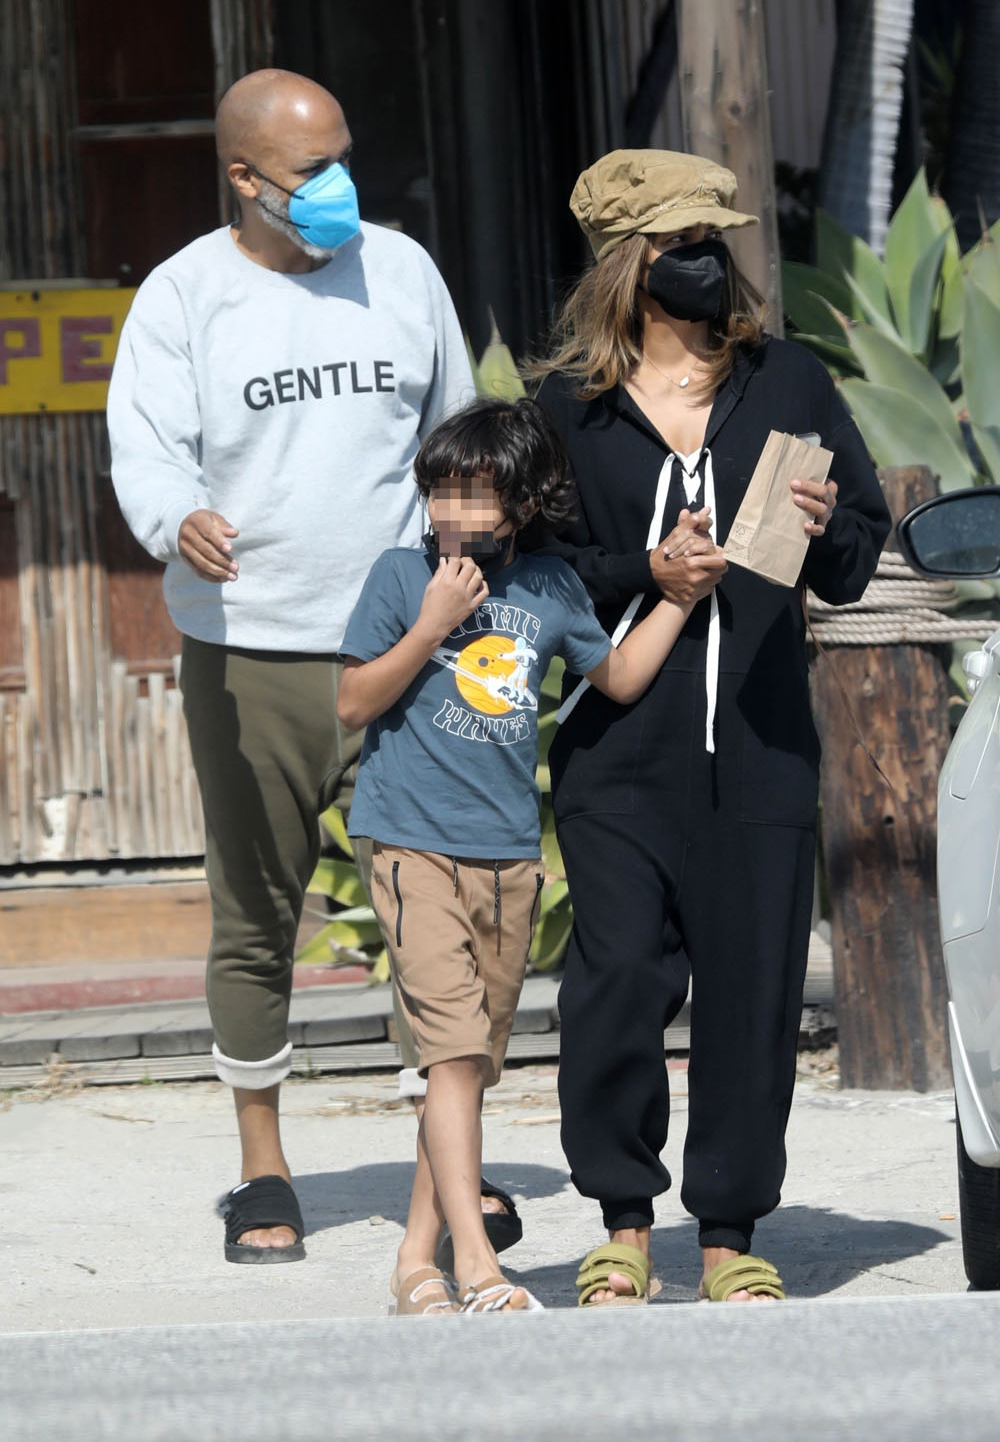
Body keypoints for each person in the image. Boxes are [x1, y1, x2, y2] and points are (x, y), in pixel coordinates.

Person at [107, 68, 474, 1263]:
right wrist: (178, 520)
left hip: (404, 641)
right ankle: (262, 1163)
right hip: (251, 646)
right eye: (310, 172)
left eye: (344, 158)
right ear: (244, 178)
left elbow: (455, 437)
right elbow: (147, 451)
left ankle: (449, 1170)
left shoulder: (402, 268)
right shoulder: (183, 298)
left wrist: (471, 568)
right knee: (256, 911)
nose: (337, 189)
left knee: (435, 908)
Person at [530, 148, 892, 1305]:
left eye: (713, 242)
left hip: (762, 750)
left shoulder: (787, 381)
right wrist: (643, 568)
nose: (706, 263)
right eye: (681, 245)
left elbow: (852, 558)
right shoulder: (565, 408)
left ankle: (730, 1230)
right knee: (619, 978)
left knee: (752, 990)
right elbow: (531, 574)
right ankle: (623, 1221)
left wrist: (828, 521)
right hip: (616, 752)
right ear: (629, 264)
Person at [336, 396, 724, 1314]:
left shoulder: (548, 586)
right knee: (453, 1053)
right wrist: (431, 625)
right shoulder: (399, 578)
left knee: (463, 1068)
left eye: (474, 496)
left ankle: (412, 1265)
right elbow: (353, 703)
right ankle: (477, 1265)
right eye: (439, 492)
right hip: (407, 841)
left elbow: (619, 676)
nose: (452, 514)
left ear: (519, 504)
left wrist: (673, 597)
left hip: (508, 858)